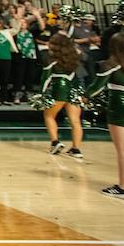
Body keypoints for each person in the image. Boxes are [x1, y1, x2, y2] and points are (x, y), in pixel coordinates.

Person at [86, 32, 124, 198]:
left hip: (119, 108)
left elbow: (95, 89)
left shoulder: (111, 64)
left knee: (123, 150)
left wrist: (83, 96)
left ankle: (123, 187)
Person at [39, 32, 84, 160]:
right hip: (75, 88)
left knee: (49, 115)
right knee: (75, 121)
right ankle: (76, 149)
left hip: (60, 88)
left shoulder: (51, 59)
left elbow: (46, 78)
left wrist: (41, 94)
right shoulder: (74, 56)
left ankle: (55, 142)